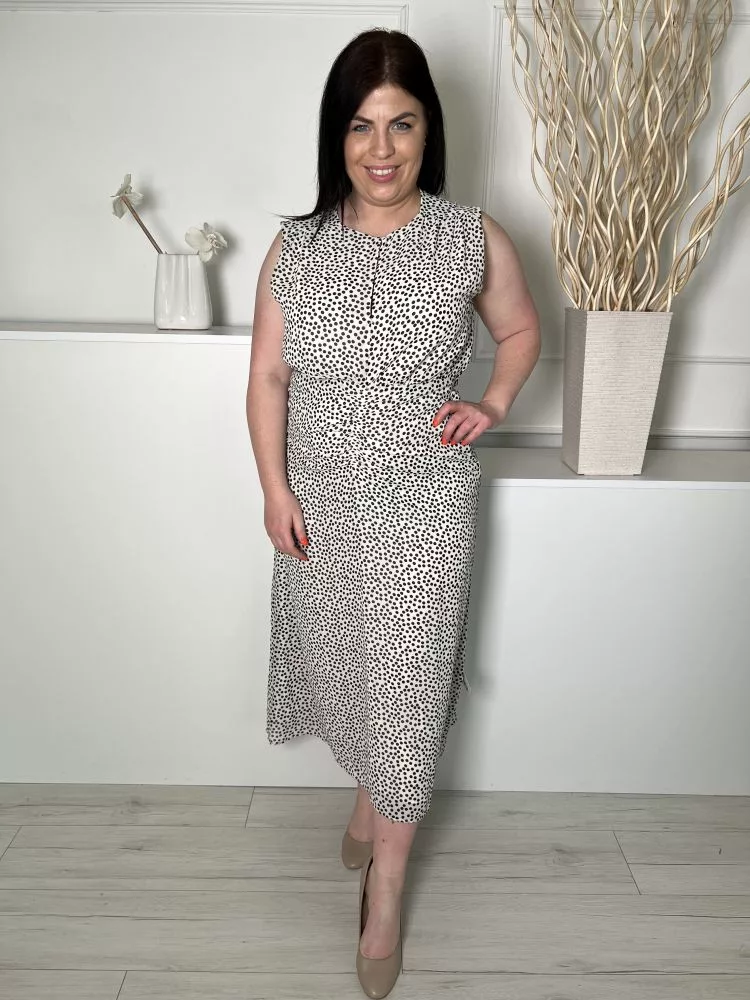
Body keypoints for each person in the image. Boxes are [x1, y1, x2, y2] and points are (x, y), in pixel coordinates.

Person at [246, 28, 540, 999]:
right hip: (322, 505)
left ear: (428, 131)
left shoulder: (471, 237)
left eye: (402, 124)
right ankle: (369, 802)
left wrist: (494, 402)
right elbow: (268, 376)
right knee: (347, 662)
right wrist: (275, 488)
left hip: (425, 504)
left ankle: (387, 886)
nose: (382, 148)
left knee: (407, 682)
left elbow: (520, 329)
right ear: (336, 135)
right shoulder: (294, 248)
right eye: (362, 126)